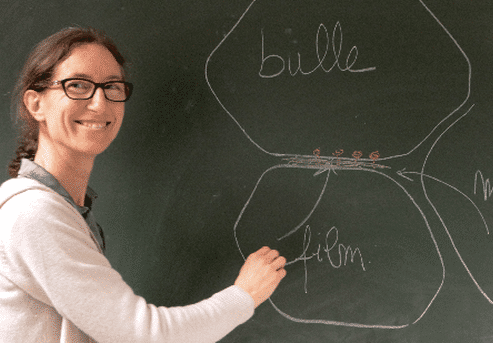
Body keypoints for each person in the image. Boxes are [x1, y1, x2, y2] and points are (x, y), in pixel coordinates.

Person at [0, 26, 287, 342]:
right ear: (35, 103)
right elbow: (144, 336)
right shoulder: (34, 213)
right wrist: (245, 295)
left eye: (112, 87)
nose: (99, 103)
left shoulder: (60, 208)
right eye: (78, 85)